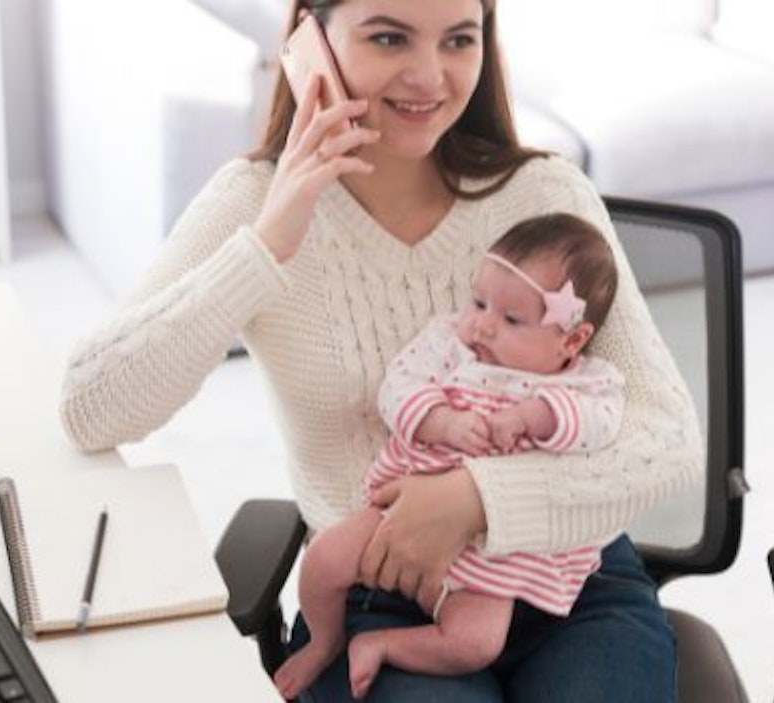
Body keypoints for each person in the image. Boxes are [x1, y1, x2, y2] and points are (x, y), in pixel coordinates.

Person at [59, 0, 702, 700]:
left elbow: (667, 438)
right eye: (389, 37)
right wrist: (267, 244)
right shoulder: (254, 203)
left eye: (459, 39)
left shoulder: (544, 194)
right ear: (311, 38)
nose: (429, 77)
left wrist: (474, 500)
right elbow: (92, 406)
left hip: (569, 576)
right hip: (375, 589)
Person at [274, 213, 626, 700]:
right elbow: (398, 388)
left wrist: (534, 417)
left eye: (512, 319)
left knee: (475, 642)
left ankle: (385, 645)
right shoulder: (451, 345)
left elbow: (602, 424)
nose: (483, 324)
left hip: (500, 555)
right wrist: (443, 422)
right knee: (324, 562)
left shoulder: (587, 382)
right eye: (479, 302)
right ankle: (325, 641)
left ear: (571, 339)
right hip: (399, 517)